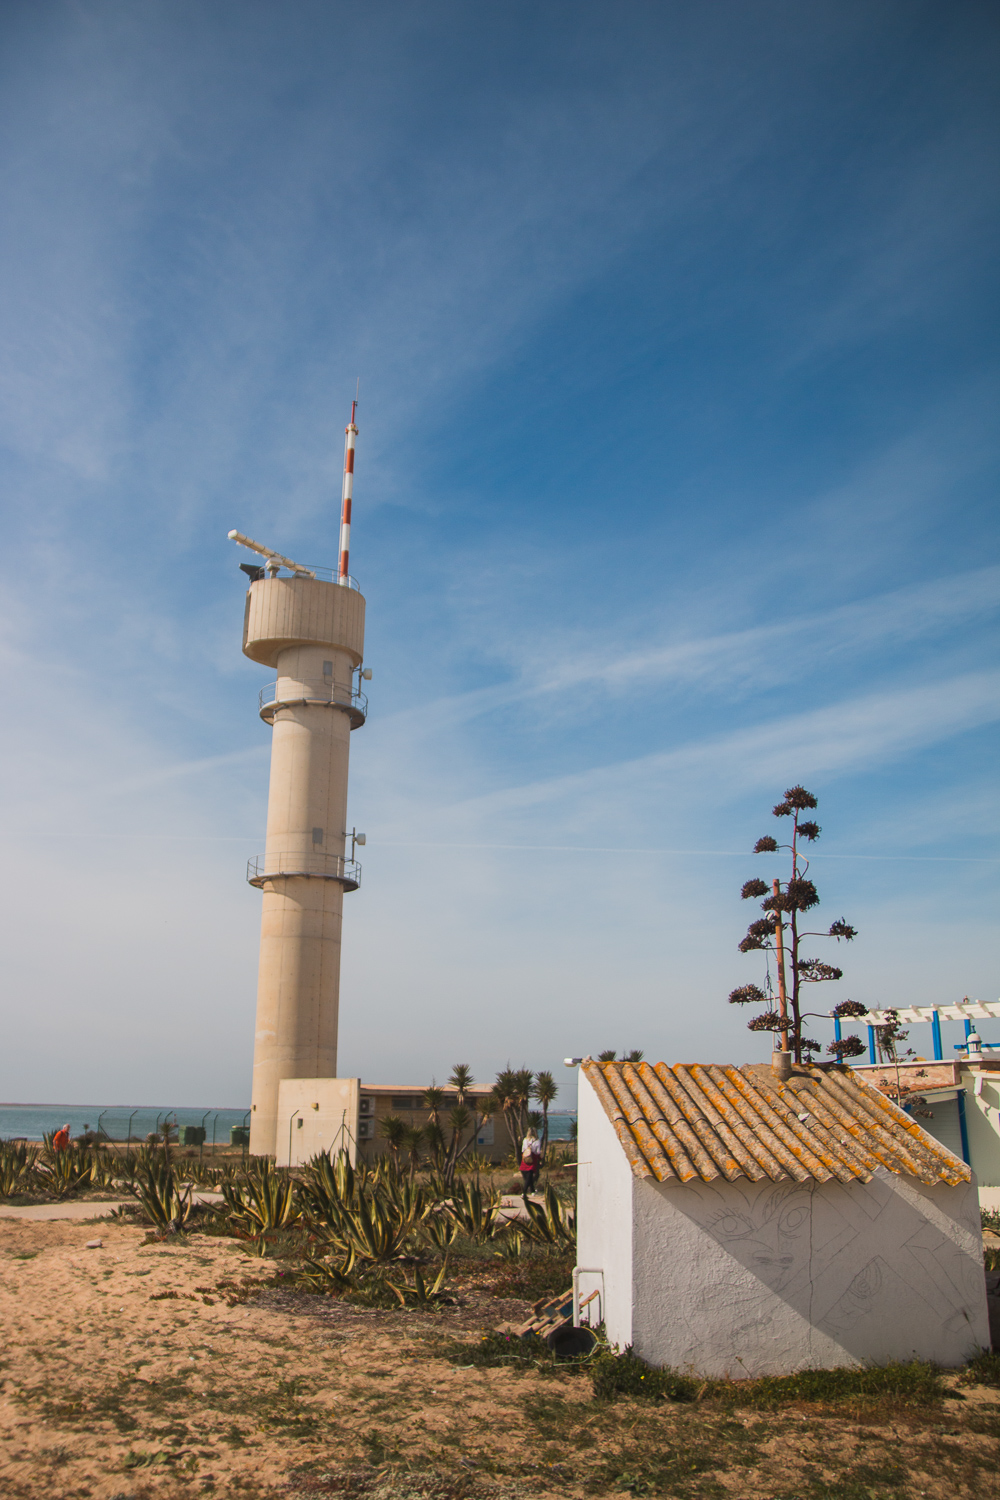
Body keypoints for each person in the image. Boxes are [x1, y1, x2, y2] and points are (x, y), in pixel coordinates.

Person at [519, 1127, 542, 1197]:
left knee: (528, 1176)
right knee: (529, 1176)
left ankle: (532, 1191)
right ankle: (524, 1192)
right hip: (532, 1158)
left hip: (525, 1158)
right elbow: (538, 1152)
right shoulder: (537, 1141)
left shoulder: (525, 1140)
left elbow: (523, 1150)